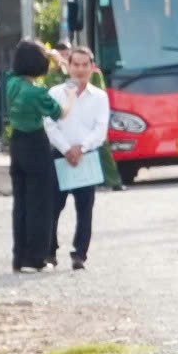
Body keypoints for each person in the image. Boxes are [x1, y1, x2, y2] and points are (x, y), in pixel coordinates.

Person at [0, 40, 69, 273]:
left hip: (17, 143)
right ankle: (36, 258)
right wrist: (69, 96)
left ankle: (19, 257)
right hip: (36, 144)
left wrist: (47, 54)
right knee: (41, 202)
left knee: (21, 204)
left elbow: (17, 69)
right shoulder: (37, 92)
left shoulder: (11, 83)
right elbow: (59, 112)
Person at [45, 42, 115, 270]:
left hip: (87, 156)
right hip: (59, 154)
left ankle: (79, 254)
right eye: (76, 64)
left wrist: (81, 148)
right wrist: (66, 149)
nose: (80, 70)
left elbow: (100, 129)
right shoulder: (55, 93)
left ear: (92, 67)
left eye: (85, 65)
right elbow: (49, 125)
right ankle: (49, 252)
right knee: (53, 207)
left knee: (85, 209)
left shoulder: (100, 97)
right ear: (69, 66)